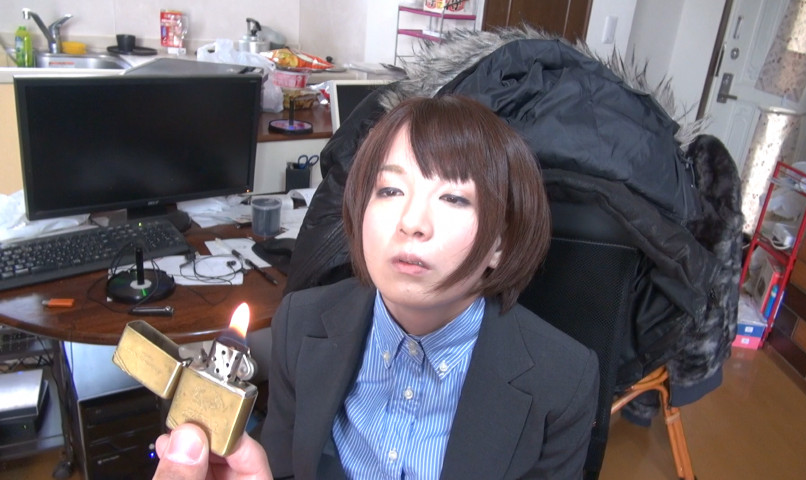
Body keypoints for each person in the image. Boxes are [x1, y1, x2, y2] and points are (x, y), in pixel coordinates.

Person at [154, 95, 599, 479]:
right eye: (389, 191)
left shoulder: (564, 380)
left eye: (454, 198)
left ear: (499, 243)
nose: (412, 222)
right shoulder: (300, 323)